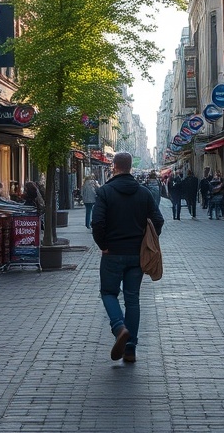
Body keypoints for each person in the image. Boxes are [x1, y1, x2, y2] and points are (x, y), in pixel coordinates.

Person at [91, 151, 164, 364]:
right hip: (136, 254)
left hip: (112, 253)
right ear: (131, 167)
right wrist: (146, 242)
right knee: (132, 298)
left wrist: (103, 245)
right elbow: (158, 220)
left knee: (108, 292)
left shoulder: (105, 192)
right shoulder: (143, 193)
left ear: (114, 166)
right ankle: (130, 348)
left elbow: (97, 223)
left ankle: (119, 327)